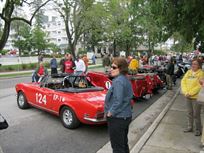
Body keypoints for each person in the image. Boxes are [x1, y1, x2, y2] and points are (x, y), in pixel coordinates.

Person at [105, 57, 133, 153]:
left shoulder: (118, 81)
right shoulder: (125, 79)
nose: (110, 69)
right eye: (111, 67)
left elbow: (118, 101)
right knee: (123, 144)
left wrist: (110, 112)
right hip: (125, 116)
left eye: (113, 67)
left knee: (117, 147)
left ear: (120, 69)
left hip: (118, 118)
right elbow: (128, 97)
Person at [181, 59, 204, 136]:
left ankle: (198, 129)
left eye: (195, 64)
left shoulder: (201, 74)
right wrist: (185, 92)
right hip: (187, 96)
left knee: (196, 114)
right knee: (189, 113)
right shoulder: (189, 72)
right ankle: (190, 127)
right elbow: (183, 81)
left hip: (196, 97)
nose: (193, 65)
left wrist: (190, 93)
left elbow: (199, 86)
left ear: (199, 65)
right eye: (192, 64)